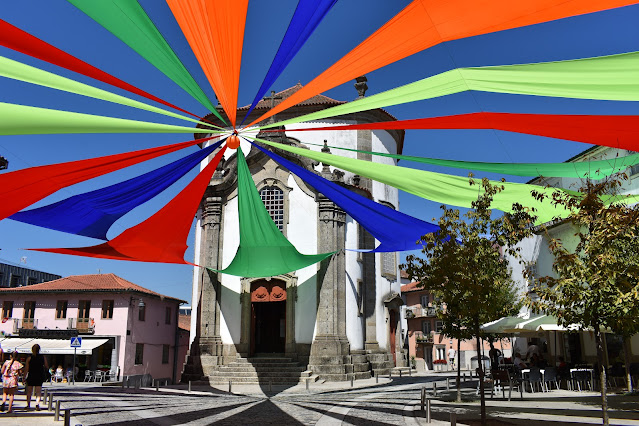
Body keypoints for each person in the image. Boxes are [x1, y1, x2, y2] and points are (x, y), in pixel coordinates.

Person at [24, 344, 48, 411]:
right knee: (38, 392)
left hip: (31, 375)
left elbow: (26, 368)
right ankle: (37, 404)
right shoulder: (43, 357)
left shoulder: (29, 358)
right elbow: (46, 366)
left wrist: (24, 377)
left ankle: (28, 405)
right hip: (39, 375)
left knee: (29, 392)